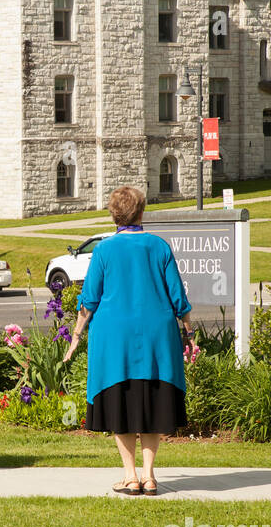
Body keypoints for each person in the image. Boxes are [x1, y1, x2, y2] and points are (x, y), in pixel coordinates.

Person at [62, 185, 192, 496]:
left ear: (113, 216)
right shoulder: (159, 247)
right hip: (156, 339)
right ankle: (149, 476)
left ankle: (130, 476)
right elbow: (179, 297)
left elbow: (89, 299)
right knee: (151, 402)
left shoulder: (105, 250)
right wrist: (189, 332)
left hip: (114, 340)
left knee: (120, 404)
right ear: (142, 212)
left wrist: (76, 336)